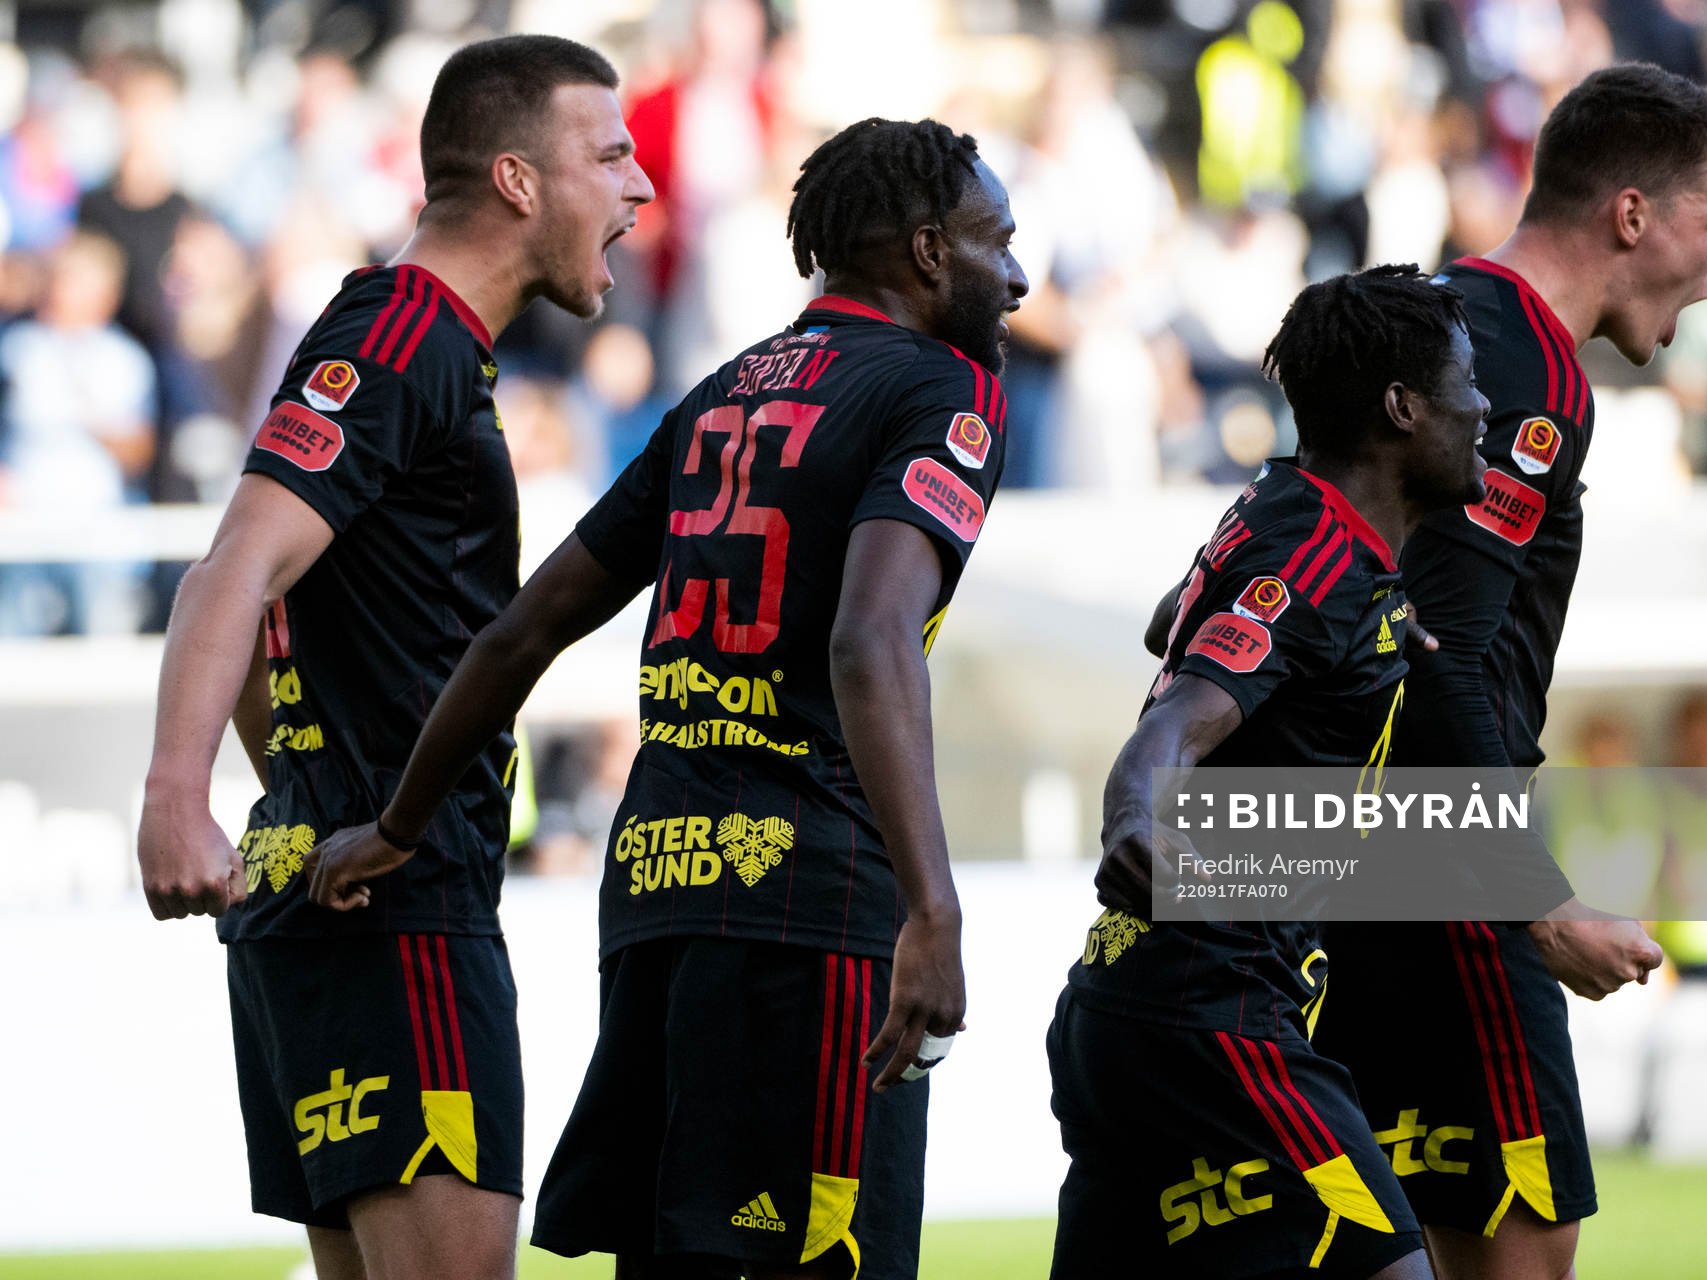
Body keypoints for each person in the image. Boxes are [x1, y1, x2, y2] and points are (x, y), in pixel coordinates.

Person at [305, 116, 1027, 1279]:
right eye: (1000, 241)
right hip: (814, 905)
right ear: (931, 252)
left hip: (657, 890)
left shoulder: (719, 394)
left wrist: (399, 822)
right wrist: (932, 908)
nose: (1020, 276)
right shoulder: (949, 388)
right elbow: (869, 638)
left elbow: (522, 628)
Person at [133, 35, 652, 1280]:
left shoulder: (401, 333)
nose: (639, 187)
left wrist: (298, 795)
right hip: (394, 910)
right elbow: (231, 570)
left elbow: (261, 589)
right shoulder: (406, 334)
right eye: (609, 154)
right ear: (519, 179)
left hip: (333, 891)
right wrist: (175, 794)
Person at [1311, 64, 1707, 1280]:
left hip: (1321, 841)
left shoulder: (1430, 318)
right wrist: (1541, 898)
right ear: (1632, 215)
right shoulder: (1525, 372)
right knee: (1524, 1236)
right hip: (1432, 851)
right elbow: (1432, 646)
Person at [1048, 264, 1490, 1280]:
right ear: (1403, 407)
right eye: (1466, 384)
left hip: (1122, 1008)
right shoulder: (1315, 556)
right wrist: (1135, 817)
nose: (1483, 408)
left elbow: (1174, 619)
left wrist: (1372, 624)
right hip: (1216, 1012)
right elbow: (1171, 729)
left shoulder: (1277, 506)